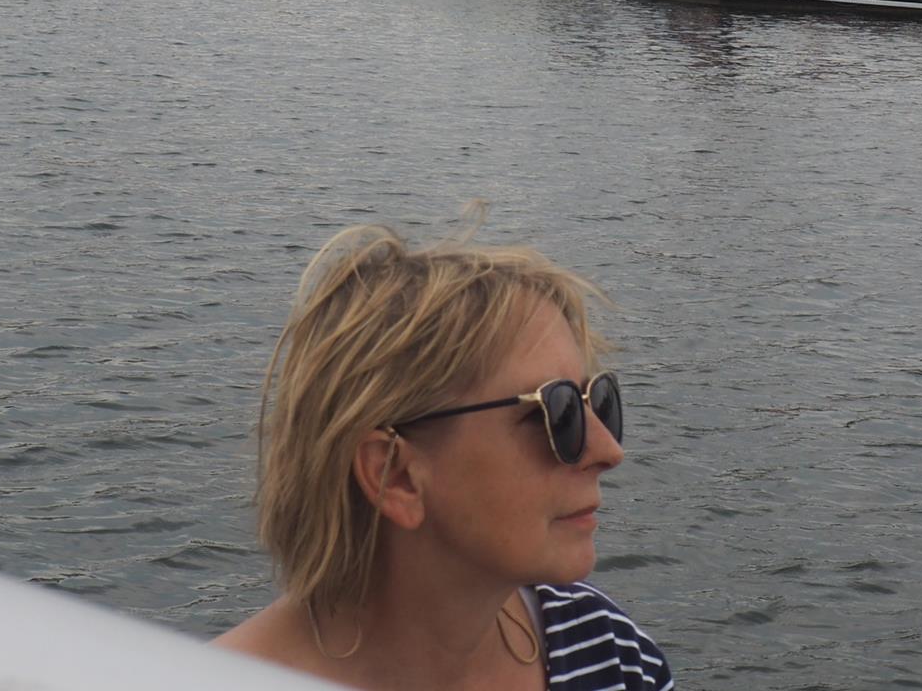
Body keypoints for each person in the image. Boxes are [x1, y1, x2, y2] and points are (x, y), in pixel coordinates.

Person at [215, 223, 672, 690]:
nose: (608, 450)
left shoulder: (613, 655)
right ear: (395, 475)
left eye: (598, 401)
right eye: (555, 412)